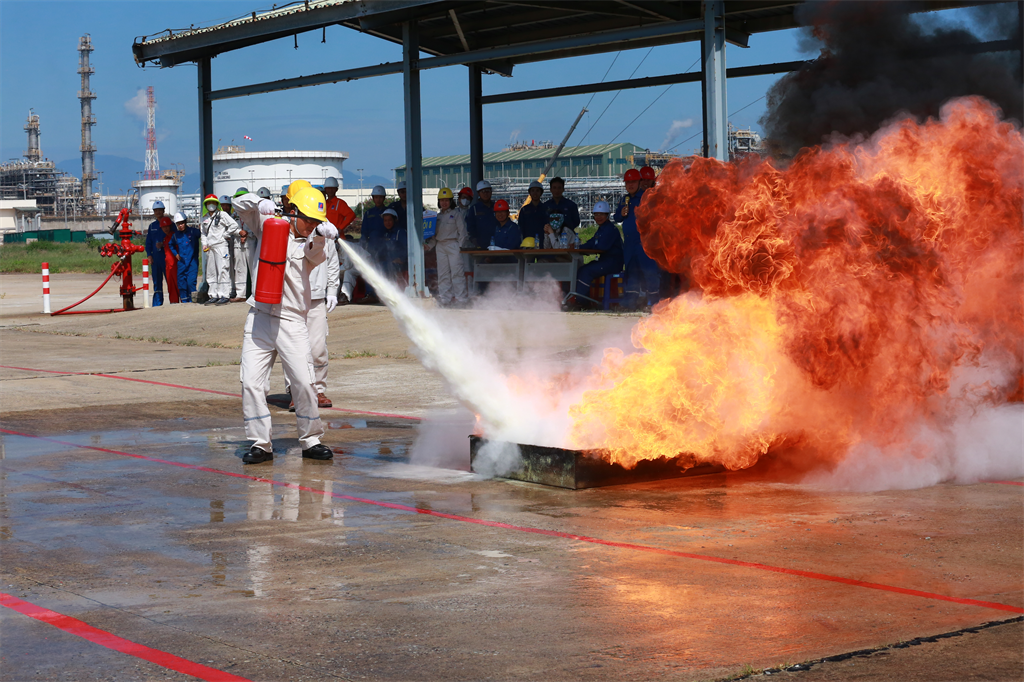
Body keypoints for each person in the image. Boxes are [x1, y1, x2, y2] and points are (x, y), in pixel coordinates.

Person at [238, 186, 336, 464]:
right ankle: (261, 443)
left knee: (305, 382)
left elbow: (314, 255)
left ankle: (311, 439)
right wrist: (260, 203)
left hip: (292, 321)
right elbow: (239, 204)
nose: (314, 226)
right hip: (259, 318)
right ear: (295, 213)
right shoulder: (268, 224)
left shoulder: (312, 241)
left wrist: (320, 235)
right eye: (311, 221)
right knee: (252, 383)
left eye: (318, 222)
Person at [615, 168, 662, 308]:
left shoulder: (647, 197)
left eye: (633, 182)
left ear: (640, 182)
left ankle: (654, 303)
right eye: (628, 182)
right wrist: (622, 213)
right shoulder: (625, 199)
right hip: (629, 243)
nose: (630, 185)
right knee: (632, 272)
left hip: (644, 243)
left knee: (650, 272)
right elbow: (616, 217)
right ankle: (630, 302)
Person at [570, 201, 624, 309]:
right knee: (581, 269)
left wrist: (586, 248)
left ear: (607, 215)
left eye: (601, 214)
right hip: (605, 261)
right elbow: (592, 242)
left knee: (586, 271)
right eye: (596, 214)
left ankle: (582, 302)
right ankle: (582, 299)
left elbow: (602, 247)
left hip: (612, 263)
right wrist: (578, 247)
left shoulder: (610, 229)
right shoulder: (601, 229)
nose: (598, 217)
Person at [427, 187, 469, 307]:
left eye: (446, 200)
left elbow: (463, 233)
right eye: (441, 200)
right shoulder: (437, 217)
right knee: (442, 274)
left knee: (457, 273)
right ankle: (445, 299)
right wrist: (428, 246)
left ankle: (461, 300)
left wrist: (459, 247)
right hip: (440, 246)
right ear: (438, 201)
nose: (444, 202)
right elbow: (434, 236)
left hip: (453, 244)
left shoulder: (456, 214)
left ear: (451, 201)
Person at [201, 194, 240, 305]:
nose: (211, 205)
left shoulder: (222, 215)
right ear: (206, 205)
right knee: (211, 272)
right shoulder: (205, 218)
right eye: (208, 203)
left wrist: (225, 235)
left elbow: (233, 225)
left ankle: (224, 295)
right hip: (210, 248)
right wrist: (204, 244)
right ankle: (213, 294)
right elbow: (203, 233)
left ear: (217, 204)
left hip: (221, 246)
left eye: (213, 202)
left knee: (223, 269)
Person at [169, 212, 201, 303]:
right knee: (182, 283)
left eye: (182, 223)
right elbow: (170, 245)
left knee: (191, 282)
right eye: (178, 224)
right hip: (182, 263)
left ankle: (193, 301)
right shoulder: (175, 235)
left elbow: (204, 235)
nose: (181, 225)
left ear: (185, 222)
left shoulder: (193, 232)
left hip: (192, 263)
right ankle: (184, 303)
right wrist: (175, 254)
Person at [228, 188, 252, 302]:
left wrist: (248, 233)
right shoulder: (234, 214)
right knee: (239, 268)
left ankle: (255, 292)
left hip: (251, 241)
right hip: (238, 243)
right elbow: (230, 228)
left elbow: (257, 227)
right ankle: (240, 294)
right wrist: (239, 233)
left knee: (253, 268)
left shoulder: (253, 212)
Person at [144, 200, 169, 306]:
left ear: (164, 210)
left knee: (170, 280)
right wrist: (149, 255)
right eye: (156, 210)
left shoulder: (169, 224)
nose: (158, 212)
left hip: (167, 257)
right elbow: (148, 242)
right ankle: (157, 304)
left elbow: (174, 239)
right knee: (157, 282)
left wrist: (164, 245)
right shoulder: (152, 226)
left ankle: (175, 301)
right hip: (156, 258)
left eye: (160, 210)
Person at [465, 180, 497, 248]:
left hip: (497, 243)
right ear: (478, 193)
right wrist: (474, 240)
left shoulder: (496, 207)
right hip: (480, 245)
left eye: (487, 191)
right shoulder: (474, 209)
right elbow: (470, 227)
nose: (485, 193)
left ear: (491, 192)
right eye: (483, 191)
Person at [517, 180, 548, 246]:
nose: (535, 193)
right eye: (533, 190)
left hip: (544, 244)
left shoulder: (546, 209)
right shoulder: (524, 210)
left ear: (541, 192)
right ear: (529, 192)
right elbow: (520, 228)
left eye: (537, 190)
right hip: (528, 244)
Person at [380, 207, 408, 281]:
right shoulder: (385, 233)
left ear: (395, 220)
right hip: (388, 261)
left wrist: (401, 259)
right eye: (385, 220)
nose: (387, 223)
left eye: (390, 220)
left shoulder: (400, 232)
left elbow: (406, 247)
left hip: (399, 263)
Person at [160, 217, 180, 304]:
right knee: (171, 285)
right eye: (163, 227)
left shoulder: (175, 236)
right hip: (168, 266)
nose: (166, 228)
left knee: (178, 284)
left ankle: (184, 301)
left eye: (167, 226)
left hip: (176, 265)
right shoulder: (165, 238)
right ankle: (173, 302)